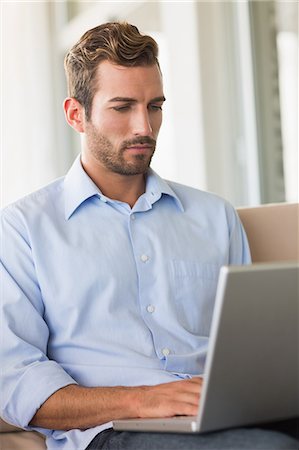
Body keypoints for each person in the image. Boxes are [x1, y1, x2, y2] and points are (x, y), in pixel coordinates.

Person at [1, 22, 297, 450]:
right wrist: (145, 400)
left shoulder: (214, 216)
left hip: (219, 415)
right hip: (115, 432)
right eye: (122, 107)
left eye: (154, 106)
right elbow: (14, 385)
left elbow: (252, 350)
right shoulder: (23, 230)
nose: (144, 126)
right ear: (75, 114)